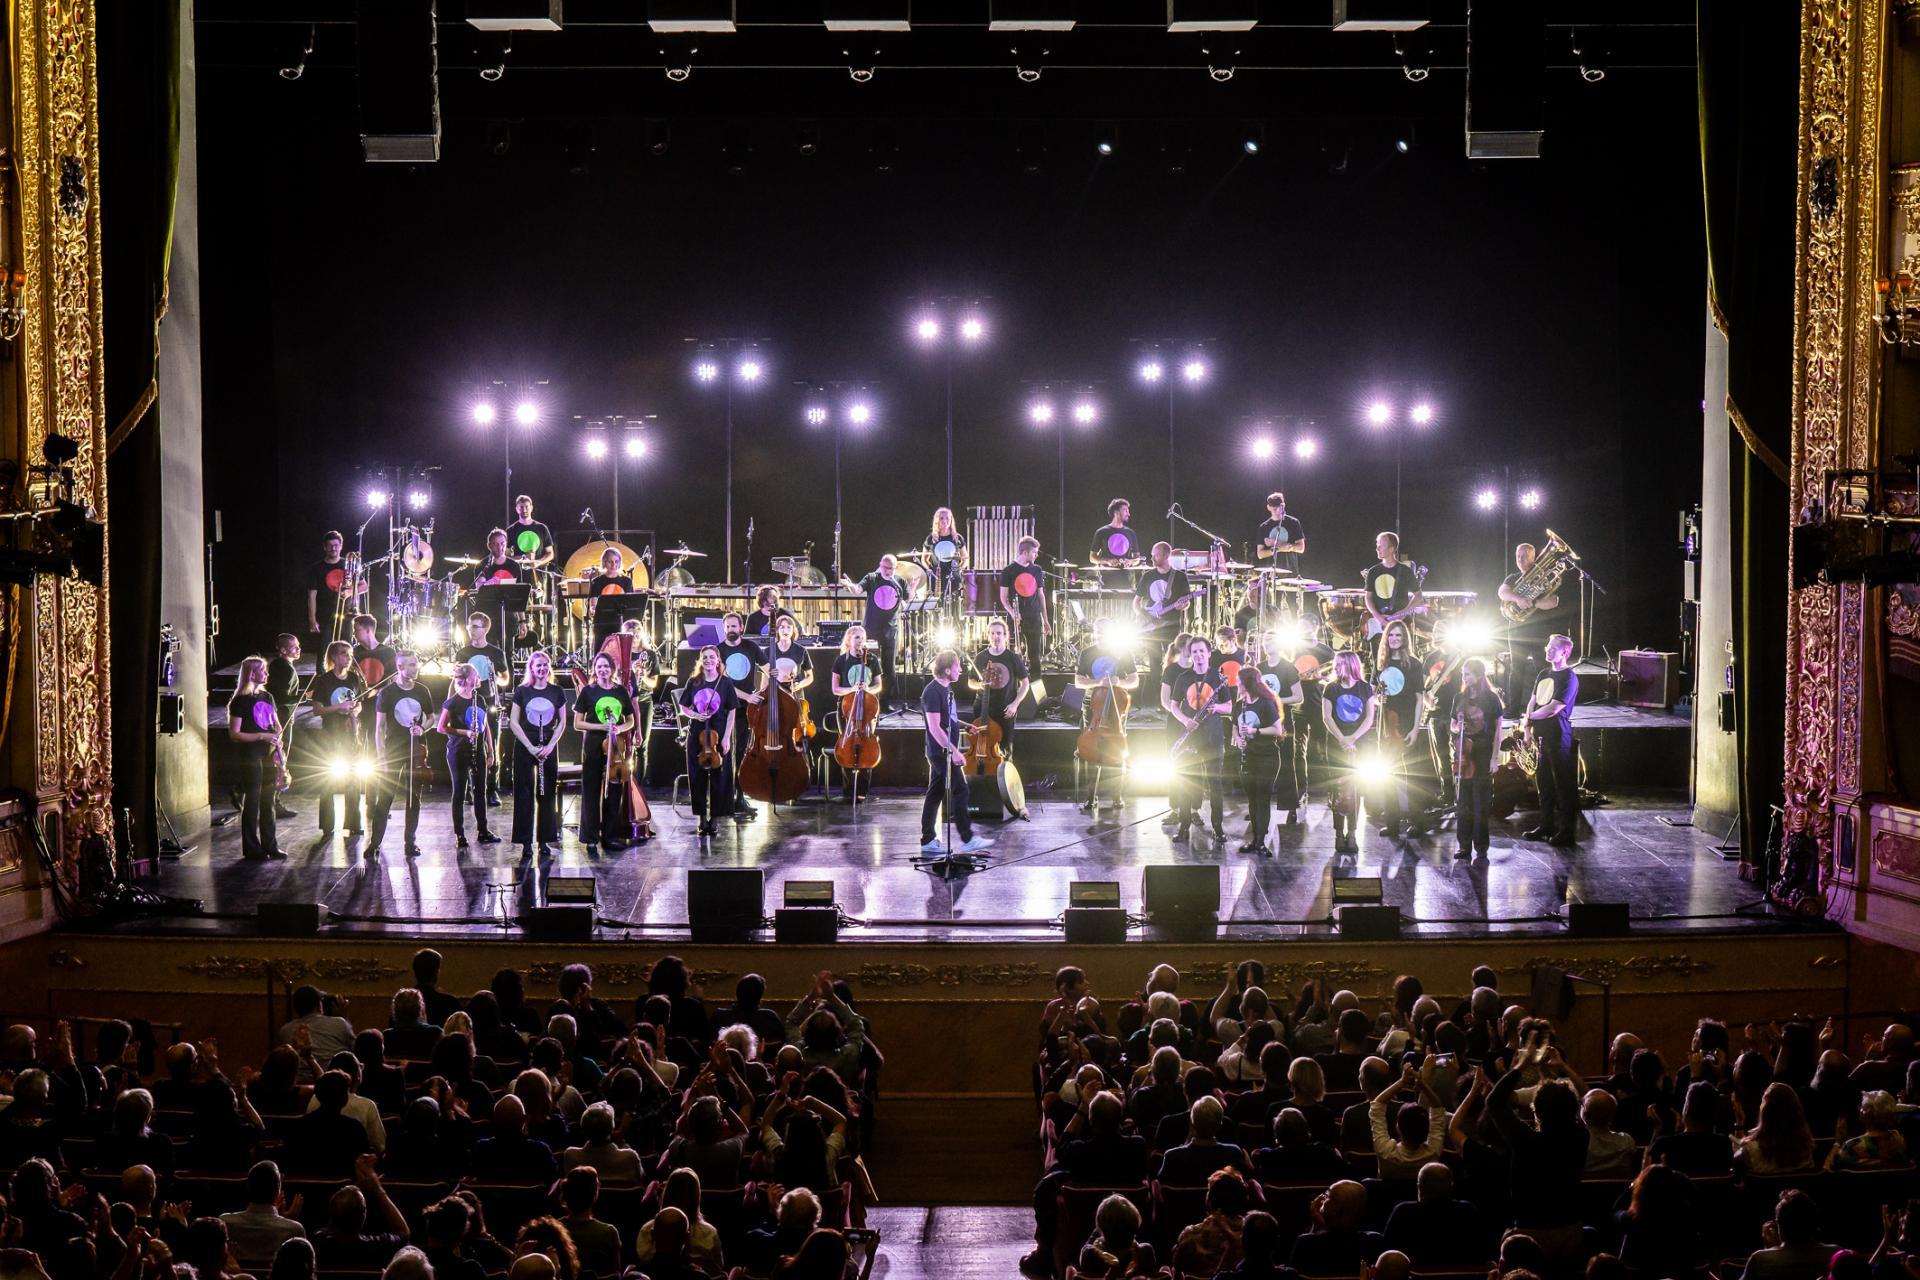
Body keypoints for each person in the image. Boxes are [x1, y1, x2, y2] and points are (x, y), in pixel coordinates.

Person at [920, 649, 993, 857]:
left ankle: (927, 840)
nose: (961, 670)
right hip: (939, 752)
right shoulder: (932, 692)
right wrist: (953, 752)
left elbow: (947, 720)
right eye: (958, 666)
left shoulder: (947, 690)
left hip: (943, 751)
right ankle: (968, 838)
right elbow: (935, 728)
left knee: (935, 793)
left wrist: (966, 725)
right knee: (961, 789)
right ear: (946, 669)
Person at [369, 651, 435, 860]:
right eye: (412, 665)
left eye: (416, 665)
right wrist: (381, 757)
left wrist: (422, 728)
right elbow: (379, 728)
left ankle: (410, 842)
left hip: (416, 751)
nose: (416, 669)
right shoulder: (387, 693)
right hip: (393, 751)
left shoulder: (423, 691)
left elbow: (432, 717)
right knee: (384, 799)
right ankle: (375, 843)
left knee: (413, 798)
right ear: (400, 667)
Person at [570, 651, 635, 853]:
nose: (603, 670)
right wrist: (601, 728)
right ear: (595, 670)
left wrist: (618, 729)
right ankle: (590, 837)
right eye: (599, 667)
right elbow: (577, 723)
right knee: (590, 791)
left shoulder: (620, 691)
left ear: (612, 669)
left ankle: (610, 836)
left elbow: (631, 720)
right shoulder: (588, 692)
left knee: (614, 791)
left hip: (615, 746)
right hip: (593, 746)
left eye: (606, 667)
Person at [1074, 617, 1139, 813]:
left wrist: (1118, 682)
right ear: (1094, 632)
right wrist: (1098, 683)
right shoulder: (1087, 653)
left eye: (1105, 630)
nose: (1101, 633)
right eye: (1098, 630)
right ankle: (1090, 796)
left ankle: (1116, 796)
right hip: (1093, 706)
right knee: (1090, 750)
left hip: (1117, 707)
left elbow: (1134, 680)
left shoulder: (1123, 652)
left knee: (1116, 751)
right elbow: (1078, 682)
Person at [1523, 633, 1580, 847]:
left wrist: (1530, 717)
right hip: (1540, 736)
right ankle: (1546, 825)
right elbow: (1533, 701)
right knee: (1544, 783)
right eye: (1547, 645)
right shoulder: (1543, 673)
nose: (1547, 649)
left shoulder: (1569, 677)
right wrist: (1527, 728)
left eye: (1553, 647)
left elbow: (1554, 708)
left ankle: (1566, 831)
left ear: (1564, 652)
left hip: (1558, 735)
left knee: (1563, 785)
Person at [226, 656, 286, 861]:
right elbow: (234, 734)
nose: (267, 674)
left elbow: (276, 723)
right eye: (264, 670)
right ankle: (252, 848)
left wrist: (278, 736)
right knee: (252, 801)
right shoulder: (240, 701)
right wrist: (262, 736)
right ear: (253, 673)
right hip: (250, 755)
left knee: (268, 801)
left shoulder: (267, 696)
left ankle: (271, 845)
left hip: (268, 753)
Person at [509, 650, 565, 856]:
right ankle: (526, 843)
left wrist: (550, 746)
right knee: (524, 793)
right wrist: (530, 747)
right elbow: (514, 722)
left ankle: (545, 840)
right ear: (531, 668)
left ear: (549, 667)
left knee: (546, 793)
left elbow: (562, 723)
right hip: (526, 745)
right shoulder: (522, 691)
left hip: (548, 745)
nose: (541, 668)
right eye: (537, 665)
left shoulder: (557, 691)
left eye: (544, 665)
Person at [679, 646, 738, 838]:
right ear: (700, 660)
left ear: (718, 660)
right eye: (705, 657)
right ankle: (701, 817)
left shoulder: (726, 683)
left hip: (719, 737)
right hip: (697, 735)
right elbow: (683, 707)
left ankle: (715, 819)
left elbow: (732, 712)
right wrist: (696, 715)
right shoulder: (694, 681)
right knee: (697, 778)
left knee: (720, 779)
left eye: (712, 657)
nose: (709, 660)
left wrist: (727, 737)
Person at [436, 664, 498, 849]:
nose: (479, 678)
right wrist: (465, 732)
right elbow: (441, 727)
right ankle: (460, 834)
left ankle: (483, 831)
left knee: (480, 791)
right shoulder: (453, 702)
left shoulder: (480, 700)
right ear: (470, 679)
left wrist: (490, 751)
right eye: (477, 675)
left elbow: (485, 725)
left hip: (478, 751)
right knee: (460, 792)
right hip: (458, 751)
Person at [1374, 620, 1427, 838]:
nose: (1394, 639)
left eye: (1399, 635)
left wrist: (1416, 728)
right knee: (1388, 775)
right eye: (1391, 635)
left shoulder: (1413, 664)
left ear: (1405, 639)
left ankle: (1417, 822)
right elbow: (1375, 696)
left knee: (1410, 776)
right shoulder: (1381, 664)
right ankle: (1392, 824)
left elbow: (1419, 699)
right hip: (1387, 726)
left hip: (1406, 724)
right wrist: (1379, 698)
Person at [309, 641, 367, 836]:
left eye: (350, 655)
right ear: (334, 657)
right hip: (330, 735)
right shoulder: (324, 680)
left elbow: (358, 704)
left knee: (354, 779)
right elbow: (317, 710)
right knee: (328, 779)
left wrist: (354, 713)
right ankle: (327, 825)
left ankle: (353, 822)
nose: (348, 658)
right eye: (344, 654)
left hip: (350, 733)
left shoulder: (353, 678)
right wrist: (338, 708)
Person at [1321, 651, 1377, 855]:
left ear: (1351, 665)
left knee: (1355, 791)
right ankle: (1338, 834)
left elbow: (1369, 717)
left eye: (1340, 664)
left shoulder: (1365, 688)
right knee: (1339, 790)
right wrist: (1342, 739)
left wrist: (1353, 738)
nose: (1336, 667)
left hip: (1359, 744)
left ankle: (1352, 834)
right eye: (1336, 664)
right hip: (1337, 744)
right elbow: (1327, 717)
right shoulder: (1331, 688)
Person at [1450, 657, 1505, 861]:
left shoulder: (1491, 699)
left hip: (1482, 757)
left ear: (1479, 676)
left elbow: (1498, 731)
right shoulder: (1459, 698)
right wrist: (1459, 727)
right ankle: (1464, 846)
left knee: (1480, 805)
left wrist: (1494, 758)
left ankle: (1481, 846)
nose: (1464, 677)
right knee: (1463, 804)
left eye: (1468, 674)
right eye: (1463, 674)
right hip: (1463, 756)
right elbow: (1452, 725)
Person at [1498, 541, 1563, 708]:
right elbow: (1502, 592)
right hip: (1517, 629)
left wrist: (1532, 602)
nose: (1520, 559)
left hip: (1539, 630)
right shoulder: (1513, 578)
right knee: (1516, 670)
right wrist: (1518, 599)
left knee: (1543, 668)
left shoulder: (1545, 576)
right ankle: (1512, 709)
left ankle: (1543, 706)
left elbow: (1554, 601)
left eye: (1524, 556)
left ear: (1533, 558)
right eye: (1518, 556)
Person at [716, 611, 766, 824]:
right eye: (727, 626)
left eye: (734, 626)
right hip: (726, 709)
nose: (731, 630)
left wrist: (760, 693)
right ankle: (724, 798)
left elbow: (768, 669)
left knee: (741, 753)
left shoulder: (751, 647)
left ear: (741, 628)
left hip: (747, 710)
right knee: (726, 753)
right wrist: (747, 695)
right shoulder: (718, 650)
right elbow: (723, 682)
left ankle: (739, 797)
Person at [843, 553, 910, 710]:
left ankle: (885, 703)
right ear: (880, 565)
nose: (889, 571)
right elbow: (857, 590)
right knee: (869, 665)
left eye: (892, 568)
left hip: (890, 630)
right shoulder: (871, 578)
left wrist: (912, 588)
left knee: (889, 668)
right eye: (887, 568)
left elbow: (907, 599)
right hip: (871, 629)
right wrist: (851, 586)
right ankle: (867, 701)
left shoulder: (899, 581)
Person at [457, 610, 511, 805]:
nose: (471, 630)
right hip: (467, 702)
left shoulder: (496, 653)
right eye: (469, 627)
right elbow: (456, 678)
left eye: (475, 627)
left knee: (491, 745)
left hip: (489, 702)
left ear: (485, 629)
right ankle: (469, 790)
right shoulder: (463, 652)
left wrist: (494, 677)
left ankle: (491, 789)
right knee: (468, 745)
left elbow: (506, 679)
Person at [1134, 541, 1196, 707]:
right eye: (1153, 554)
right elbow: (1136, 603)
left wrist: (1184, 605)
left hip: (1172, 626)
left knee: (1173, 662)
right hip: (1151, 628)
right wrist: (1146, 617)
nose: (1152, 557)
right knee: (1154, 665)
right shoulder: (1148, 576)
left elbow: (1187, 601)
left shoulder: (1179, 576)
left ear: (1166, 556)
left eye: (1156, 554)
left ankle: (1174, 699)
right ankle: (1156, 700)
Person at [1254, 631, 1306, 824]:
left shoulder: (1288, 668)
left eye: (1271, 641)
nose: (1267, 644)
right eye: (1265, 641)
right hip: (1264, 722)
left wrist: (1275, 701)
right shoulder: (1259, 668)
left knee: (1286, 764)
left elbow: (1298, 697)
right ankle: (1258, 807)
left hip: (1284, 722)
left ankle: (1290, 806)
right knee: (1261, 765)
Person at [1233, 665, 1285, 856]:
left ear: (1247, 683)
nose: (1236, 684)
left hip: (1267, 757)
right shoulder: (1240, 705)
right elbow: (1234, 726)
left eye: (1239, 681)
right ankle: (1256, 839)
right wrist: (1238, 739)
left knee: (1262, 799)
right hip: (1248, 758)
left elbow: (1277, 730)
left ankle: (1261, 842)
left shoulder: (1265, 703)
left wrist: (1256, 731)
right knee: (1252, 801)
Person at [220, 1162, 308, 1272]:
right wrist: (288, 1222)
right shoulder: (294, 1229)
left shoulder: (224, 1223)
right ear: (278, 1191)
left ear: (248, 1187)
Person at [830, 624, 883, 799]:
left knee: (867, 745)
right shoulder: (841, 661)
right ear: (849, 640)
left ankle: (862, 790)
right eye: (857, 637)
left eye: (863, 637)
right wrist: (852, 689)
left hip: (867, 709)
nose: (860, 641)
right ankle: (847, 791)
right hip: (846, 708)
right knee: (846, 745)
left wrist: (867, 689)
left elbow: (878, 686)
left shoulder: (872, 660)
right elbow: (835, 689)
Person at [967, 617, 1031, 759]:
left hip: (1005, 710)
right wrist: (979, 685)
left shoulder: (1013, 658)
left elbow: (1025, 683)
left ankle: (1004, 779)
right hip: (983, 709)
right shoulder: (980, 657)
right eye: (992, 633)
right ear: (988, 636)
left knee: (1005, 750)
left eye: (999, 633)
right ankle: (984, 779)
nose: (995, 636)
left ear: (1005, 636)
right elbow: (970, 682)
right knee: (983, 748)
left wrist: (1015, 704)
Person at [1740, 1189, 1839, 1280]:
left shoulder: (1759, 1260)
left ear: (1780, 1226)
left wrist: (1770, 1251)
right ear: (1815, 1222)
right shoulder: (1836, 1255)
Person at [1362, 532, 1423, 662]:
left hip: (1400, 623)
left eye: (1381, 545)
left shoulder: (1405, 571)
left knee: (1401, 659)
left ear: (1392, 549)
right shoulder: (1373, 571)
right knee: (1380, 661)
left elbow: (1418, 595)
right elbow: (1368, 597)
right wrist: (1378, 617)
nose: (1377, 548)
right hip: (1380, 624)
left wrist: (1405, 611)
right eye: (1377, 545)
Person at [265, 634, 304, 821]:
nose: (298, 649)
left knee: (278, 759)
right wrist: (305, 697)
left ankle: (241, 790)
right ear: (283, 650)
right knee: (280, 760)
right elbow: (280, 698)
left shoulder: (282, 667)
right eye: (294, 647)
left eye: (298, 646)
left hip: (282, 718)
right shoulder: (284, 669)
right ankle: (274, 802)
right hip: (281, 719)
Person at [999, 535, 1053, 669]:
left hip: (1034, 618)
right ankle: (1015, 688)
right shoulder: (1008, 571)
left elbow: (1041, 596)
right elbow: (1003, 598)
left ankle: (1037, 689)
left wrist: (1045, 620)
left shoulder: (1037, 570)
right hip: (1016, 618)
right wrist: (1013, 613)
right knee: (1014, 657)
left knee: (1035, 657)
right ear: (1025, 552)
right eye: (1034, 552)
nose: (1036, 555)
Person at [309, 530, 365, 640]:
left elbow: (364, 586)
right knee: (324, 652)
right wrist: (312, 620)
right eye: (329, 546)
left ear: (341, 546)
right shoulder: (316, 568)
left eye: (335, 545)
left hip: (347, 615)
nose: (333, 548)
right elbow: (311, 596)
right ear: (324, 547)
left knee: (346, 651)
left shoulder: (349, 564)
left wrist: (349, 592)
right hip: (325, 616)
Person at [583, 546, 634, 650]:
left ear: (620, 562)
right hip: (602, 622)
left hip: (621, 622)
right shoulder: (597, 582)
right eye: (610, 562)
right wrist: (592, 610)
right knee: (601, 650)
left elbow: (630, 603)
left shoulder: (627, 581)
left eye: (616, 561)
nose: (613, 565)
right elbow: (593, 605)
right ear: (604, 562)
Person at [1254, 492, 1306, 574]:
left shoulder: (1294, 522)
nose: (1278, 510)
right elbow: (1260, 554)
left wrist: (1277, 543)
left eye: (1280, 507)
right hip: (1271, 572)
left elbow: (1301, 548)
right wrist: (1278, 549)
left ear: (1283, 505)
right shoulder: (1263, 527)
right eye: (1274, 509)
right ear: (1268, 507)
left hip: (1290, 572)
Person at [924, 506, 970, 597]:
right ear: (937, 520)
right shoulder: (931, 538)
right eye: (941, 518)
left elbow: (965, 558)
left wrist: (959, 569)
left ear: (951, 520)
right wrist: (929, 570)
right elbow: (924, 559)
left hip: (953, 578)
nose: (944, 521)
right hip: (936, 578)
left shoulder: (957, 538)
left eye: (947, 518)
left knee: (954, 604)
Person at [506, 495, 555, 572]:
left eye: (527, 507)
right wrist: (523, 558)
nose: (524, 510)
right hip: (519, 573)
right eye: (521, 507)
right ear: (516, 509)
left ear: (531, 508)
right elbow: (505, 556)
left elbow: (550, 553)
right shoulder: (511, 530)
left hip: (539, 572)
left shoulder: (542, 528)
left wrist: (538, 562)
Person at [1089, 497, 1139, 569]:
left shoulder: (1131, 533)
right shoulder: (1101, 532)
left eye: (1128, 511)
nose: (1128, 514)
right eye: (1125, 510)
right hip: (1106, 576)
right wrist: (1107, 561)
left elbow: (1137, 559)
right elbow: (1092, 558)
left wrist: (1131, 562)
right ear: (1116, 512)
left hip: (1127, 576)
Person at [351, 613, 397, 688]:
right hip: (360, 698)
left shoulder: (389, 652)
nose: (354, 634)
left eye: (356, 630)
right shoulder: (353, 653)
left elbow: (395, 680)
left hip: (382, 698)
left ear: (368, 630)